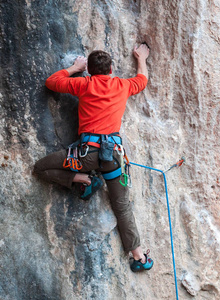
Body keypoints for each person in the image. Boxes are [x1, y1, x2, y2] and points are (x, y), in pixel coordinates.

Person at [33, 44, 153, 272]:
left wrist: (73, 68)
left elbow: (51, 82)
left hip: (84, 157)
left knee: (40, 168)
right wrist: (141, 58)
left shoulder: (84, 83)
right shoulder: (122, 85)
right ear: (111, 69)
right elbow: (142, 80)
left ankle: (83, 180)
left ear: (89, 70)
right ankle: (139, 257)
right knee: (121, 205)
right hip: (113, 159)